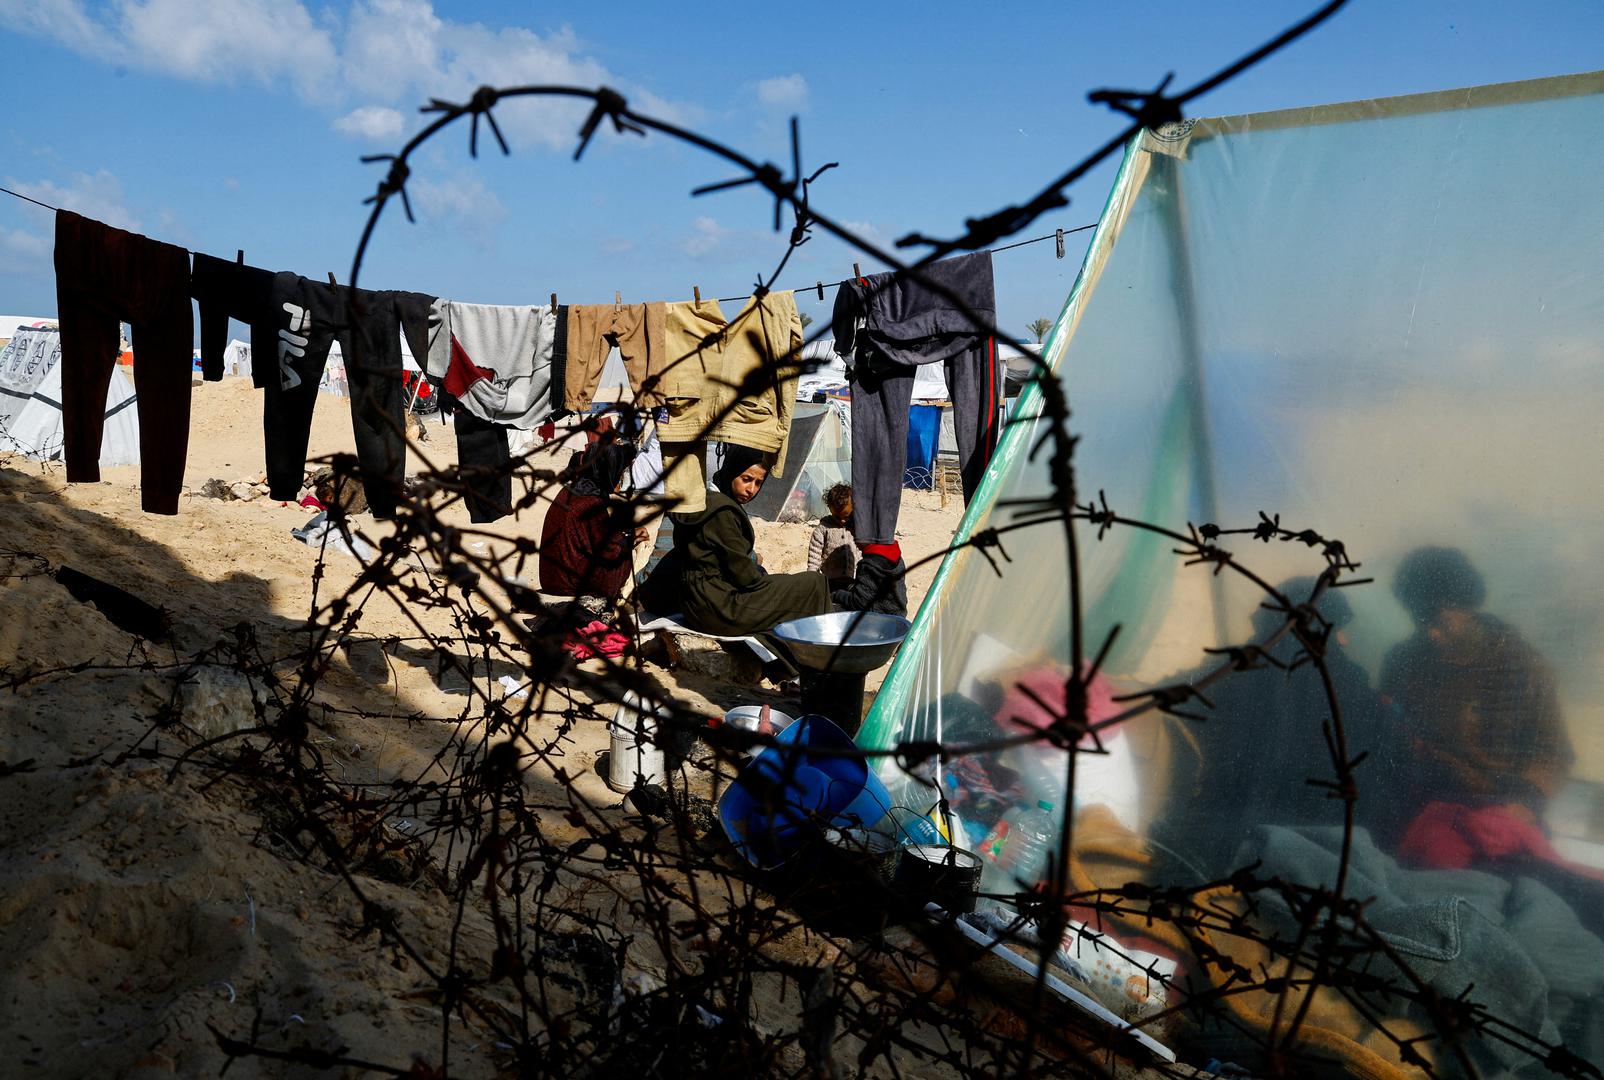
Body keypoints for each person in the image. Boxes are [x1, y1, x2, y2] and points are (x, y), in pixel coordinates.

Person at [1379, 546, 1572, 828]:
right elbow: (1384, 731)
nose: (1430, 633)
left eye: (1439, 620)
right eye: (1419, 620)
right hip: (1417, 809)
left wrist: (1523, 807)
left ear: (1468, 606)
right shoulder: (1402, 661)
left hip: (1498, 816)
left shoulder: (1523, 665)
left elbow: (1553, 755)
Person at [652, 444, 831, 636]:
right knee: (814, 583)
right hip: (719, 609)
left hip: (696, 603)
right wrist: (772, 581)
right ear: (731, 471)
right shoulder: (721, 512)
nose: (751, 489)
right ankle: (821, 651)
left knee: (784, 583)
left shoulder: (702, 500)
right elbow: (746, 578)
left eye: (758, 483)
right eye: (746, 479)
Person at [537, 437, 643, 609]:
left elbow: (592, 537)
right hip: (567, 583)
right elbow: (608, 551)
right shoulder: (591, 502)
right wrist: (629, 539)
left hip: (552, 578)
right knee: (624, 553)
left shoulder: (570, 491)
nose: (621, 477)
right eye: (620, 471)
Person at [830, 537, 908, 617]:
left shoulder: (869, 564)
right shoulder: (895, 555)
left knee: (828, 611)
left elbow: (859, 603)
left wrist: (836, 595)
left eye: (856, 536)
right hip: (898, 614)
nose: (854, 541)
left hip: (879, 620)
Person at [808, 484, 858, 590]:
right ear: (830, 508)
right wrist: (812, 577)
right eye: (837, 517)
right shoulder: (823, 528)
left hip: (854, 579)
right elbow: (814, 554)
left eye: (846, 516)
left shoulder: (856, 527)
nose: (842, 521)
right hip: (830, 580)